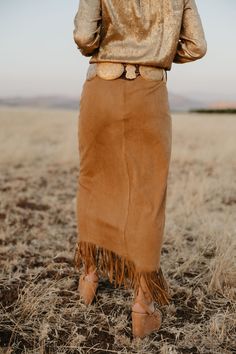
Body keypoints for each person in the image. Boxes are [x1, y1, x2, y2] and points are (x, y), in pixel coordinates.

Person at [73, 0, 207, 338]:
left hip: (101, 88)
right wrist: (152, 53)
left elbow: (84, 37)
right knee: (148, 194)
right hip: (149, 90)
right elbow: (197, 46)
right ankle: (143, 306)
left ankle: (89, 277)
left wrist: (118, 49)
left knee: (94, 180)